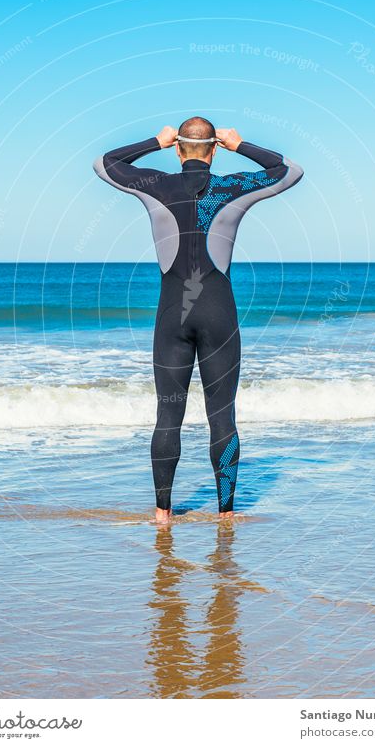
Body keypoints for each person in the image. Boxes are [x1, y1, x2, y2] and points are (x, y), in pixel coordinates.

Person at [93, 117, 304, 523]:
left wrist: (155, 141)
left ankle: (162, 514)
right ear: (213, 150)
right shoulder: (233, 187)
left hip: (173, 315)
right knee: (221, 414)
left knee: (167, 414)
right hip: (218, 314)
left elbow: (105, 163)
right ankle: (226, 516)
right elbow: (290, 172)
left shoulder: (156, 185)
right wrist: (241, 144)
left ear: (178, 149)